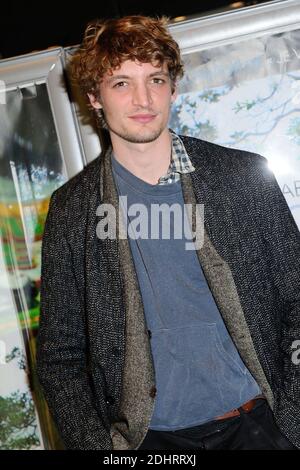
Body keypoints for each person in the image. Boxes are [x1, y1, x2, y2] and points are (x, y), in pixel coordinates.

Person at [36, 15, 300, 450]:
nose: (143, 98)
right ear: (94, 97)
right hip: (151, 443)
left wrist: (292, 411)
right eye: (121, 83)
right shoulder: (72, 210)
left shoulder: (241, 175)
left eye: (155, 79)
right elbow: (59, 359)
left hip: (262, 426)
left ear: (173, 88)